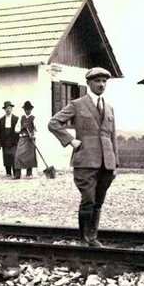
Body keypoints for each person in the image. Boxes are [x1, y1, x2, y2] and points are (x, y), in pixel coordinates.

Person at [48, 67, 118, 247]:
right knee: (88, 199)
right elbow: (54, 123)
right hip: (85, 160)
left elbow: (112, 136)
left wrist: (115, 163)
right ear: (88, 83)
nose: (101, 84)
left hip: (106, 163)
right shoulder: (78, 104)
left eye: (104, 81)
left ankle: (92, 237)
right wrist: (71, 141)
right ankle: (84, 240)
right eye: (97, 81)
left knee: (98, 201)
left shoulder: (109, 107)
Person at [14, 100, 38, 179]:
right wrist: (21, 127)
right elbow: (16, 129)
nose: (27, 111)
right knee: (18, 156)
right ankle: (17, 174)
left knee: (29, 157)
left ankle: (29, 173)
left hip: (30, 139)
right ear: (24, 110)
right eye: (26, 109)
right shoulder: (21, 118)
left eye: (29, 109)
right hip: (22, 138)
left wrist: (33, 136)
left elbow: (37, 129)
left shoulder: (33, 118)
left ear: (31, 110)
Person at [0, 101, 19, 177]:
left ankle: (15, 173)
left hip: (13, 141)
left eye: (9, 108)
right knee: (6, 157)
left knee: (14, 156)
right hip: (5, 140)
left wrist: (17, 142)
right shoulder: (2, 120)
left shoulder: (16, 119)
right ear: (4, 109)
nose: (8, 110)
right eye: (6, 108)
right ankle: (8, 172)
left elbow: (18, 131)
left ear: (12, 109)